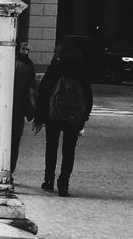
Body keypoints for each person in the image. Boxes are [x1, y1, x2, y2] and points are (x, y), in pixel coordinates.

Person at [34, 41, 93, 197]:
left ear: (59, 54)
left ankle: (48, 179)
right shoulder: (81, 70)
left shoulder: (55, 69)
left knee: (51, 147)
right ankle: (64, 183)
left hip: (53, 115)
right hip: (73, 117)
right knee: (69, 151)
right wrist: (84, 117)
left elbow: (44, 92)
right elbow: (88, 95)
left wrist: (40, 116)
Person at [9, 42, 37, 176]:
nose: (26, 52)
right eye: (23, 49)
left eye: (27, 49)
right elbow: (32, 92)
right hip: (18, 111)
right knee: (14, 143)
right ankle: (9, 171)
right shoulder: (27, 68)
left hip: (3, 111)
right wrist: (34, 112)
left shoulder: (4, 64)